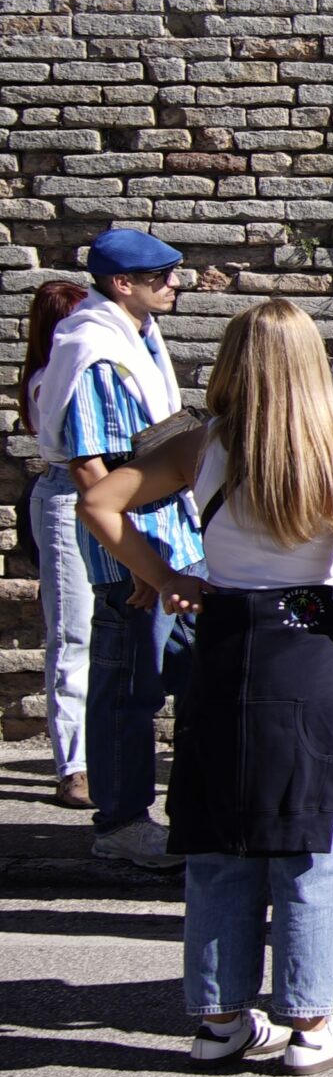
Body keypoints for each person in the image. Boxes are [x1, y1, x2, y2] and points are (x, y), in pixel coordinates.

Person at [79, 301, 333, 1074]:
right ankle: (311, 1023)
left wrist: (165, 576)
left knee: (218, 835)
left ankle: (221, 1019)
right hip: (308, 636)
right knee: (312, 837)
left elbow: (98, 502)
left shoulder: (202, 446)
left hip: (225, 636)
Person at [34, 228, 199, 869]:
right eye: (161, 276)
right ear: (121, 283)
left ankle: (191, 813)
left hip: (172, 540)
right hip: (136, 553)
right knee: (130, 686)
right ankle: (122, 822)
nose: (175, 285)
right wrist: (138, 561)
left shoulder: (137, 337)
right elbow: (90, 468)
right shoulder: (95, 353)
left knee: (192, 673)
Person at [21, 278, 94, 811]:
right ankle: (74, 766)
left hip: (107, 493)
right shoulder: (50, 380)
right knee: (72, 633)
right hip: (68, 495)